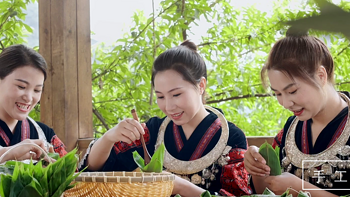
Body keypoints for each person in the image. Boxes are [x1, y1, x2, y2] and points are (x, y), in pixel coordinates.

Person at [79, 40, 251, 197]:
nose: (168, 107)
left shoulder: (231, 138)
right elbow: (93, 169)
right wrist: (110, 137)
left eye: (176, 94)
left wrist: (180, 186)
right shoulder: (153, 132)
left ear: (201, 86)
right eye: (160, 97)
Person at [244, 29, 350, 197]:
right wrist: (258, 167)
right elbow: (266, 191)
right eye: (278, 94)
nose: (285, 103)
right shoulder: (291, 128)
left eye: (292, 91)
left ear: (321, 75)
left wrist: (301, 188)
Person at [0, 44, 67, 162]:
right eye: (21, 86)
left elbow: (73, 175)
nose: (29, 98)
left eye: (37, 90)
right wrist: (6, 154)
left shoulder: (45, 135)